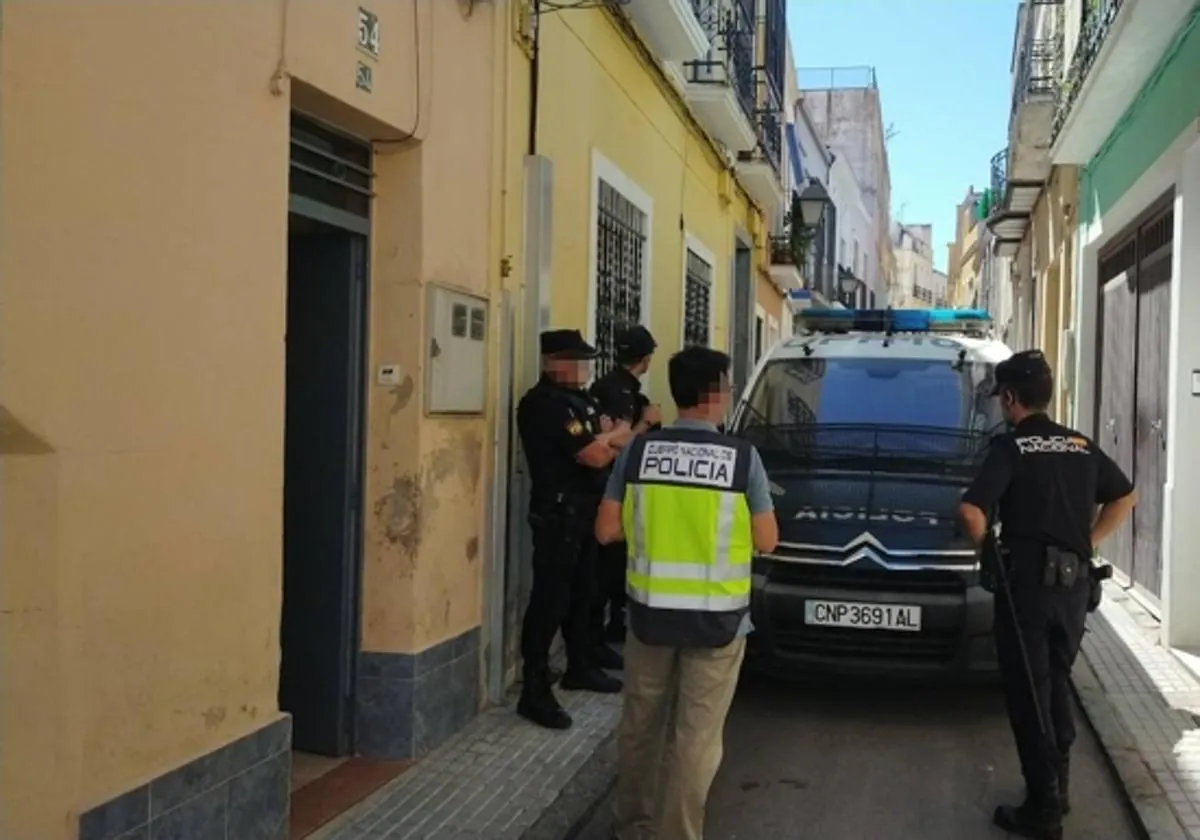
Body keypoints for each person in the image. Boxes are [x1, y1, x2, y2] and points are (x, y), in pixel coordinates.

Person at [595, 345, 779, 840]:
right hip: (717, 624)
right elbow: (766, 540)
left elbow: (605, 530)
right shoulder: (743, 460)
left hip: (650, 619)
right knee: (696, 738)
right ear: (716, 394)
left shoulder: (637, 451)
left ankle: (630, 826)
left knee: (640, 728)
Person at [958, 349, 1137, 840]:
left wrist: (989, 557)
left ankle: (1043, 811)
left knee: (1029, 695)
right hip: (1075, 589)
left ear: (1011, 398)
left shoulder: (1011, 448)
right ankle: (1059, 787)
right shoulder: (1080, 445)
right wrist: (1087, 544)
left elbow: (973, 512)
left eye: (1002, 398)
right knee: (1057, 685)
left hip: (1029, 592)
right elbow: (1125, 495)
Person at [516, 329, 632, 730]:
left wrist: (611, 435)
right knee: (550, 600)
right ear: (554, 362)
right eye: (577, 361)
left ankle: (579, 665)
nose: (585, 368)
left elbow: (613, 433)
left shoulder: (579, 399)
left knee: (586, 592)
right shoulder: (545, 404)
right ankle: (533, 687)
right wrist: (613, 436)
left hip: (585, 512)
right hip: (559, 517)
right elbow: (597, 454)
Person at [589, 325, 663, 646]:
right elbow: (619, 443)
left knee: (617, 564)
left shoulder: (625, 390)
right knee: (606, 569)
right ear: (645, 360)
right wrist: (643, 425)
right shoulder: (617, 391)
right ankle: (603, 633)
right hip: (610, 489)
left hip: (620, 488)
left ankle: (613, 626)